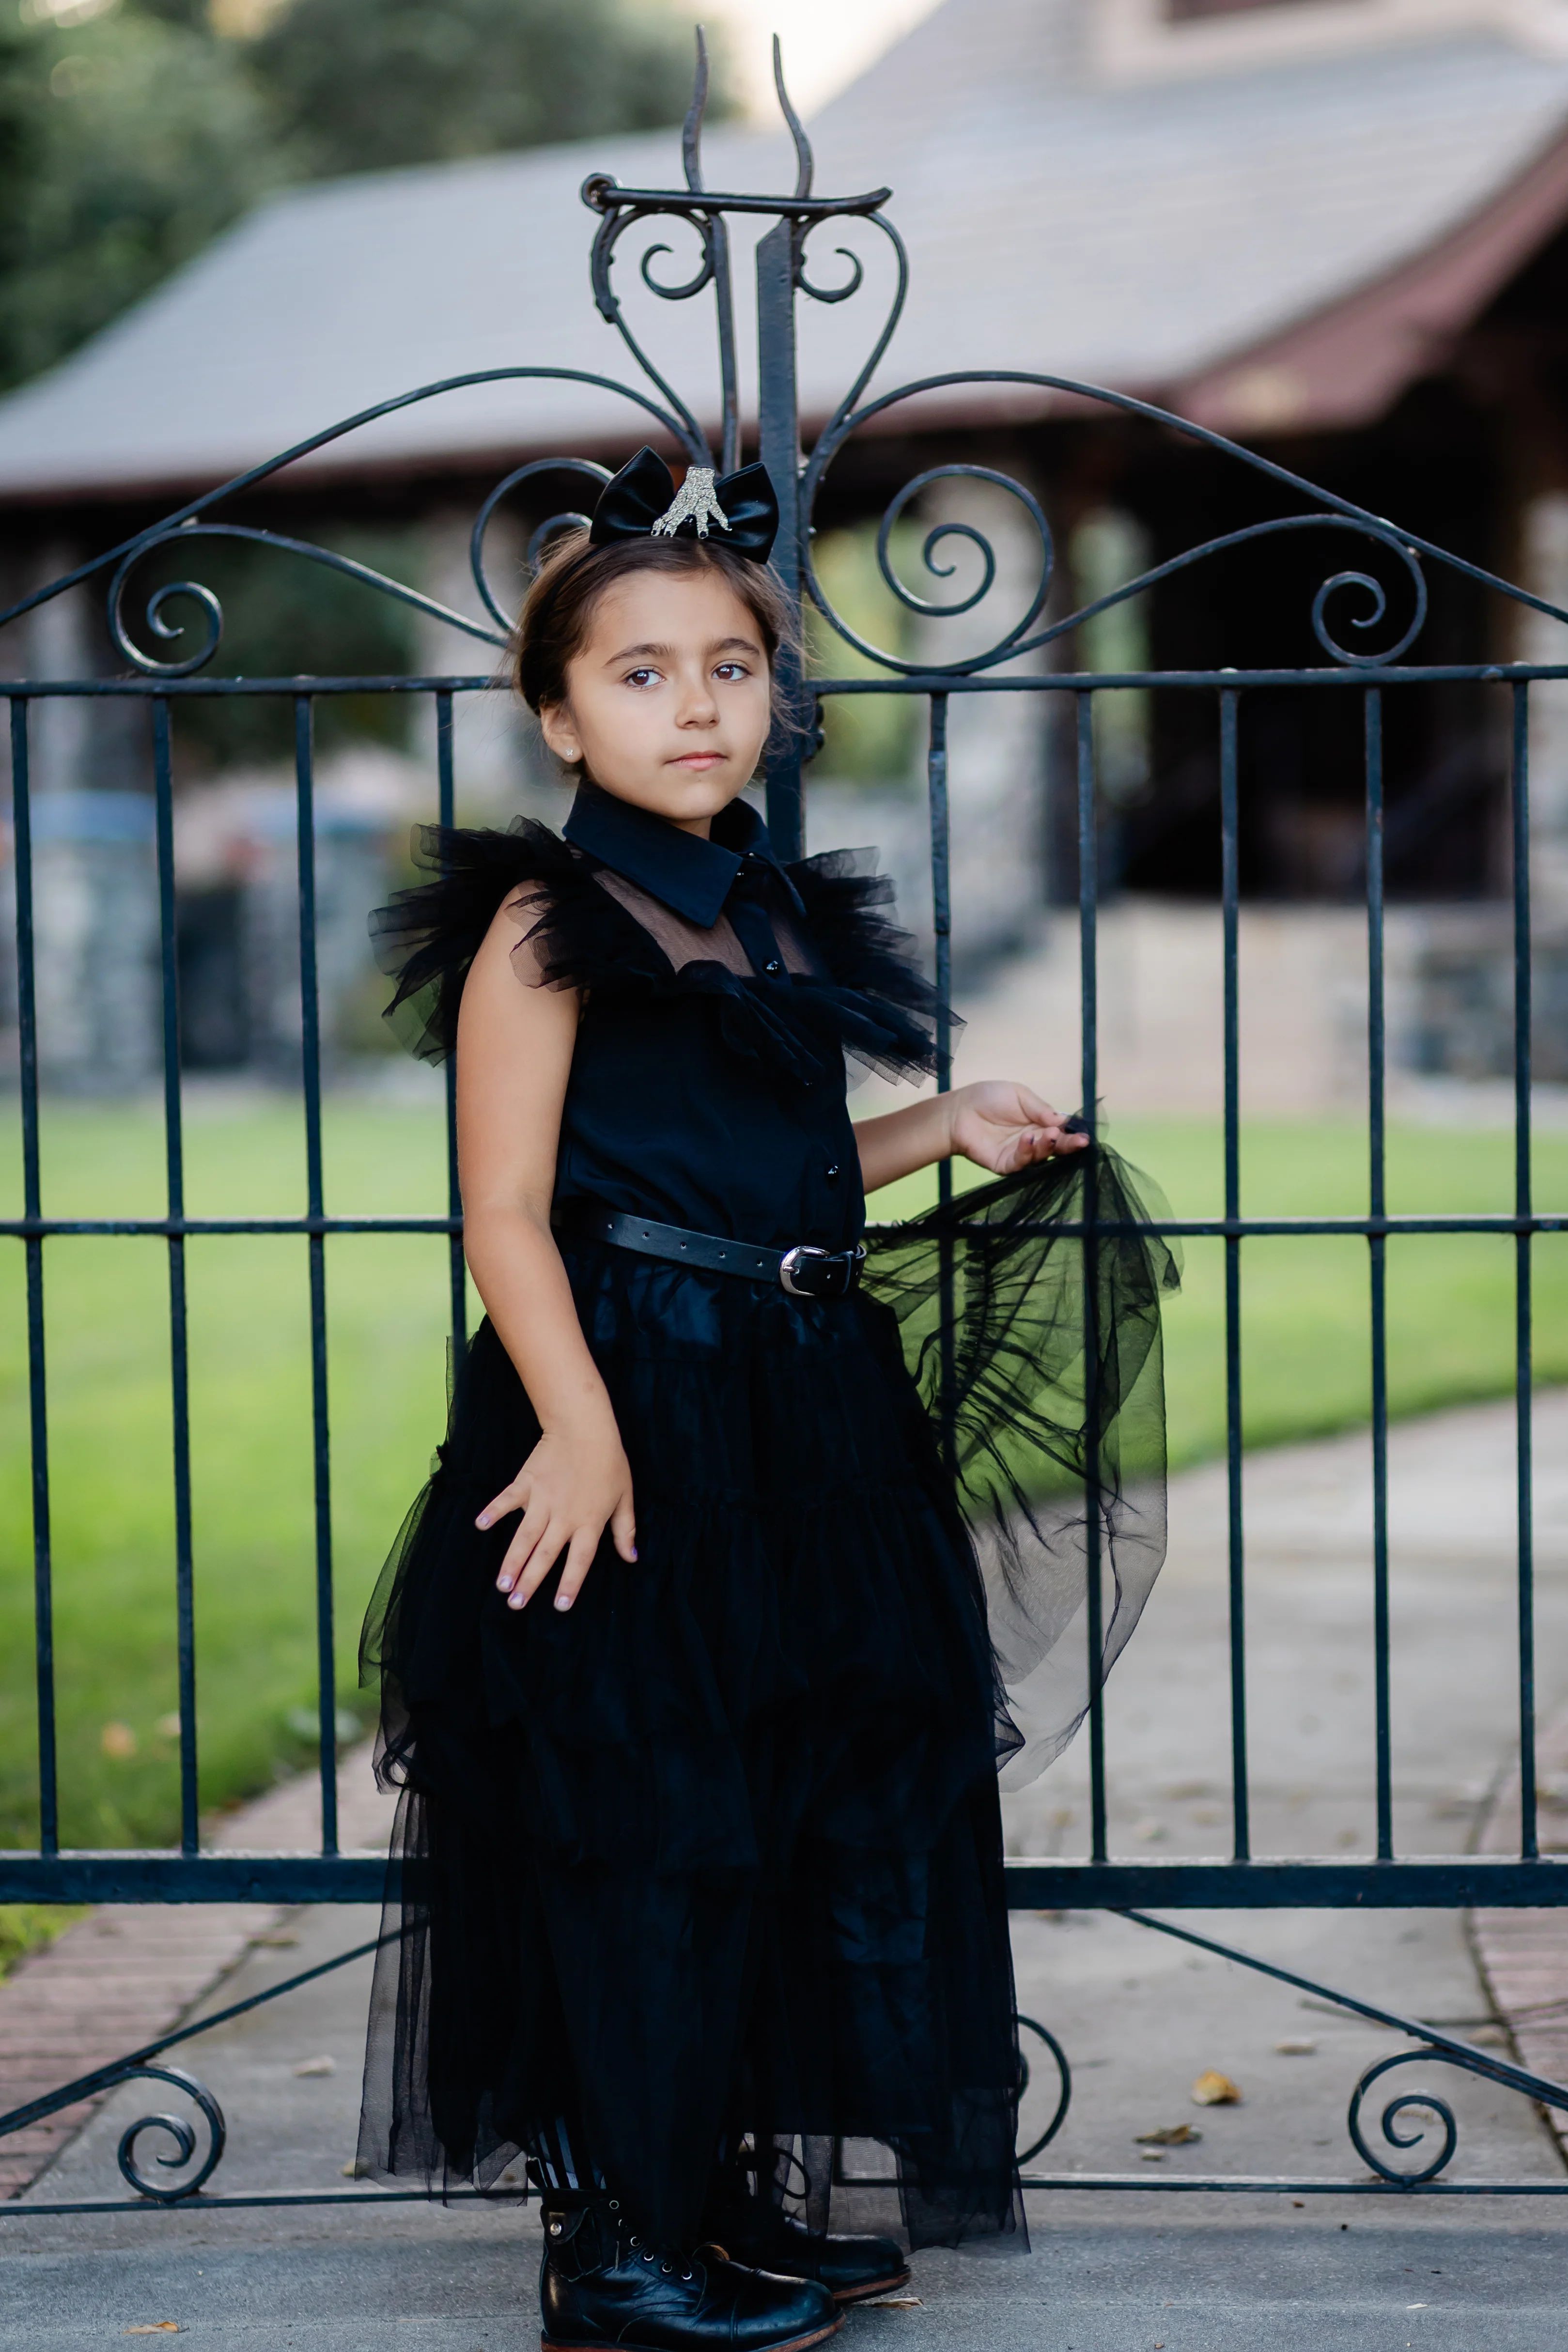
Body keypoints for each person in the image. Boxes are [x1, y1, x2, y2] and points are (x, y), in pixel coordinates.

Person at [357, 449, 1177, 2352]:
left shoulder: (777, 918)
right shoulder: (538, 929)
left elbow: (776, 1170)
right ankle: (614, 2243)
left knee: (781, 1803)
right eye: (640, 672)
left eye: (729, 666)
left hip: (802, 1407)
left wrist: (936, 1127)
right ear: (556, 710)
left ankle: (714, 2197)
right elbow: (503, 1207)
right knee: (640, 1812)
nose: (695, 703)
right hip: (626, 1403)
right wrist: (576, 1423)